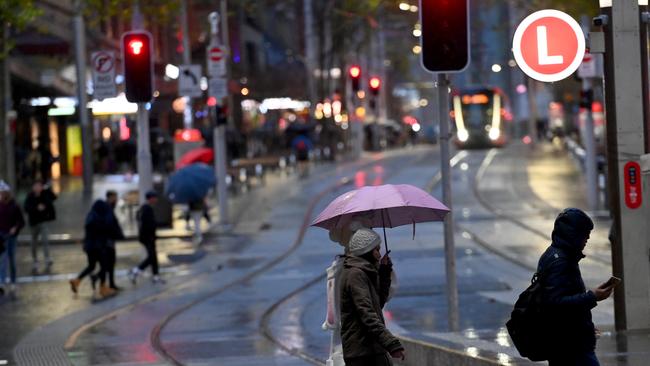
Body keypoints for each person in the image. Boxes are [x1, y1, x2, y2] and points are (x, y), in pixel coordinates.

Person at [538, 208, 614, 365]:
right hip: (571, 347)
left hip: (570, 341)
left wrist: (584, 328)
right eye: (585, 234)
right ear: (574, 234)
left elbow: (564, 304)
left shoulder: (556, 255)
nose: (588, 238)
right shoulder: (561, 262)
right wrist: (592, 296)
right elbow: (555, 304)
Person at [339, 228, 405, 366]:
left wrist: (385, 272)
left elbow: (377, 304)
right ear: (366, 251)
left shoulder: (363, 272)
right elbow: (367, 313)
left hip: (370, 349)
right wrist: (391, 343)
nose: (379, 255)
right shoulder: (355, 275)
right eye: (376, 249)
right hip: (362, 352)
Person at [70, 198, 123, 297]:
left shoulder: (90, 216)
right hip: (98, 247)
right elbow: (106, 230)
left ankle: (76, 281)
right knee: (105, 265)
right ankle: (103, 288)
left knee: (91, 266)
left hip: (88, 247)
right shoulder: (100, 218)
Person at [128, 191, 164, 284]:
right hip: (148, 237)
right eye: (155, 197)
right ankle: (135, 271)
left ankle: (155, 276)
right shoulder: (146, 208)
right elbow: (147, 224)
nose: (156, 199)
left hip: (148, 236)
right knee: (152, 257)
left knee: (153, 257)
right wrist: (151, 235)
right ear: (150, 198)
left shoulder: (145, 208)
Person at [23, 180, 57, 270]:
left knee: (45, 240)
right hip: (33, 223)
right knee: (34, 243)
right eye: (36, 186)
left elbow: (54, 197)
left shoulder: (44, 194)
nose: (38, 188)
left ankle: (47, 258)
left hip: (43, 221)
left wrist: (47, 189)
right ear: (33, 187)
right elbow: (26, 208)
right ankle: (35, 260)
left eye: (39, 186)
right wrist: (36, 208)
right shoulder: (30, 196)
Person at [95, 191, 124, 291]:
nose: (116, 200)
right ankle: (103, 283)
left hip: (108, 239)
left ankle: (109, 283)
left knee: (109, 263)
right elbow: (109, 224)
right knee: (108, 263)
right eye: (115, 197)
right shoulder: (107, 208)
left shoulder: (109, 208)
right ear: (110, 197)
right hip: (107, 240)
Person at [0, 181, 25, 295]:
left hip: (11, 236)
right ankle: (2, 282)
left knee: (11, 259)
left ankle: (13, 282)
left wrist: (15, 228)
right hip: (1, 236)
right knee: (3, 259)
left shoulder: (14, 205)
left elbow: (21, 221)